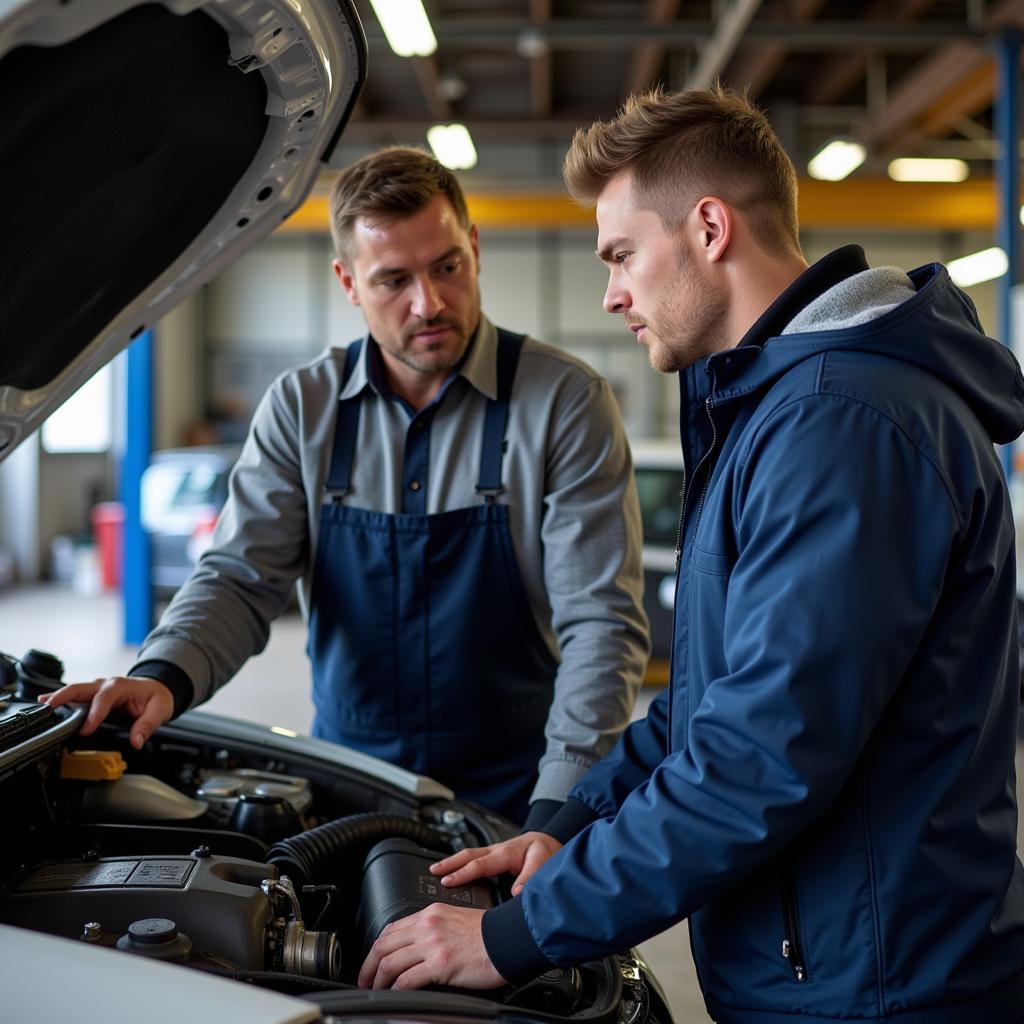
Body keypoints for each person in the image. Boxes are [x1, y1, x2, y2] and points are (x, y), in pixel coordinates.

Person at [356, 88, 1024, 1021]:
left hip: (876, 987)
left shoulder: (843, 423)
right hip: (827, 965)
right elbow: (708, 702)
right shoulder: (779, 413)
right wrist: (565, 824)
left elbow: (764, 753)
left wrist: (516, 935)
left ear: (709, 228)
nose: (611, 292)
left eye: (623, 254)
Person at [42, 147, 650, 829]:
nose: (430, 302)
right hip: (352, 781)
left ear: (474, 249)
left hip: (520, 782)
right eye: (393, 280)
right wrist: (162, 674)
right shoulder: (302, 409)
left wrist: (561, 807)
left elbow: (601, 622)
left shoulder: (564, 401)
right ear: (348, 281)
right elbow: (241, 578)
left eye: (446, 266)